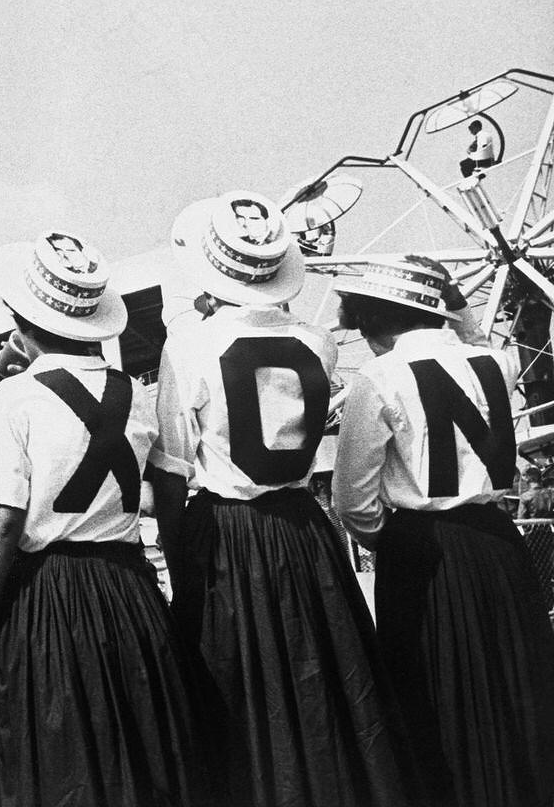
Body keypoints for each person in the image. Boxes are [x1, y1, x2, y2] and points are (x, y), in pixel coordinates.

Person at [152, 192, 411, 807]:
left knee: (241, 683)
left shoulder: (189, 346)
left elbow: (170, 469)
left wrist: (179, 553)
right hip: (304, 528)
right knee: (324, 671)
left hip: (228, 532)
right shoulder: (316, 339)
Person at [0, 231, 207, 807]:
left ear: (21, 321)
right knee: (142, 741)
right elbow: (166, 488)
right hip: (128, 587)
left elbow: (2, 519)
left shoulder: (15, 397)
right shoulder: (137, 394)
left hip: (49, 593)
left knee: (59, 746)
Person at [333, 255, 554, 807]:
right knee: (516, 680)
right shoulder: (494, 362)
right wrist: (457, 306)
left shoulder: (379, 377)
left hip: (422, 547)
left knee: (438, 691)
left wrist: (386, 539)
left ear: (375, 319)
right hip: (498, 540)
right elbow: (473, 336)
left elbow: (352, 498)